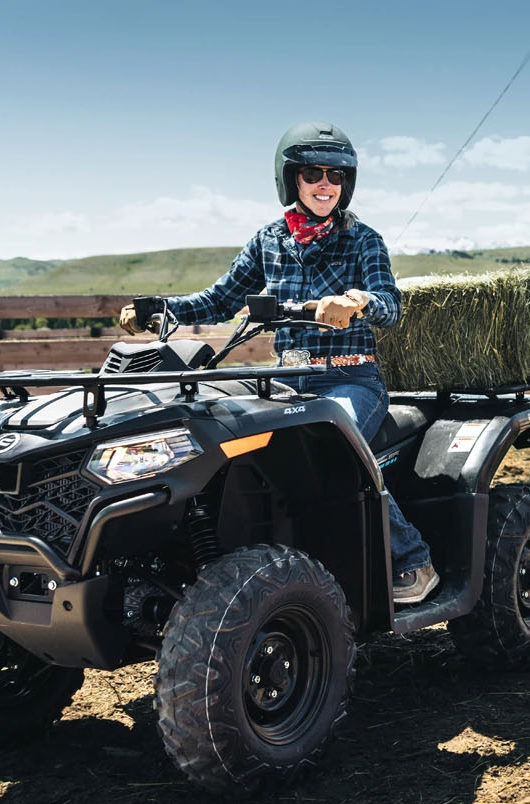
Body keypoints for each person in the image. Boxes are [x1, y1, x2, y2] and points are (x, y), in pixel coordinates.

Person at [116, 121, 437, 604]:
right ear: (292, 180)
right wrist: (159, 308)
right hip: (286, 382)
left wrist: (356, 300)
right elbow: (220, 299)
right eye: (313, 173)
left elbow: (389, 303)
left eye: (335, 175)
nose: (325, 184)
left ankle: (414, 561)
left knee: (336, 448)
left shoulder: (364, 239)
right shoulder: (269, 239)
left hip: (351, 379)